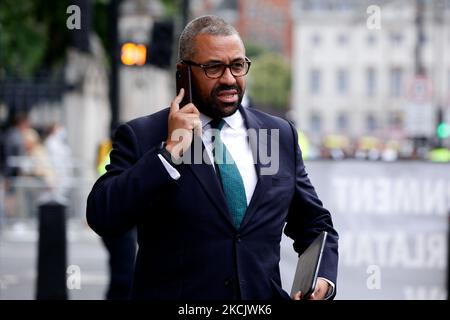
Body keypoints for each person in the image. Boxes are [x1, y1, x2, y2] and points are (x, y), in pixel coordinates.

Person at [87, 15, 338, 300]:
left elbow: (315, 225)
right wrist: (167, 153)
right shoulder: (143, 135)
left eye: (237, 65)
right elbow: (103, 216)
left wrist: (322, 278)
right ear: (184, 73)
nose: (229, 79)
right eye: (214, 68)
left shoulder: (278, 134)